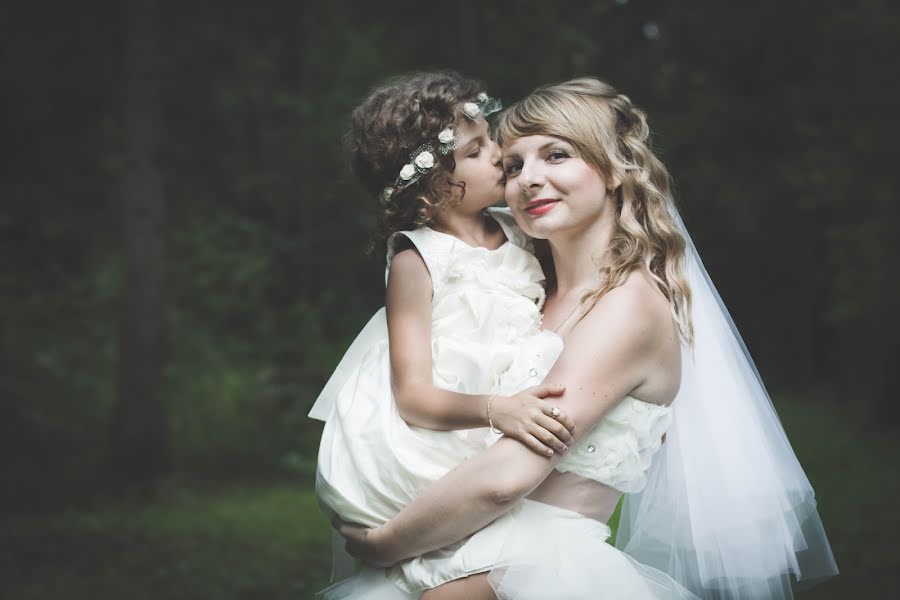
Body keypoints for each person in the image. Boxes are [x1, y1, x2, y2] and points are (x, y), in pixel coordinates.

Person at [332, 78, 838, 599]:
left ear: (615, 167)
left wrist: (386, 543)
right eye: (513, 165)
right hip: (455, 551)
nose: (529, 179)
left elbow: (507, 475)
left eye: (556, 155)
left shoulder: (628, 308)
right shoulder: (519, 288)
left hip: (537, 568)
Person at [309, 71, 577, 585]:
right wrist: (497, 410)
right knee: (447, 567)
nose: (499, 154)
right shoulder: (418, 257)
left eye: (490, 139)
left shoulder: (519, 228)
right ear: (430, 181)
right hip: (441, 434)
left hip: (501, 434)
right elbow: (412, 395)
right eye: (475, 152)